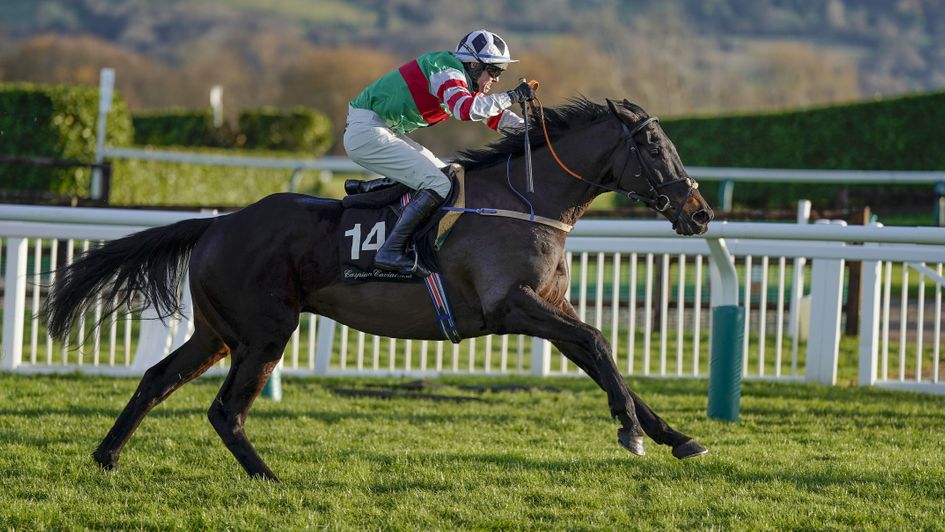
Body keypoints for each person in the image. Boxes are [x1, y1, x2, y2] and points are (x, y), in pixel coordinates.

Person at [344, 29, 537, 277]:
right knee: (439, 182)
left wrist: (536, 129)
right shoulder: (447, 71)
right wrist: (511, 96)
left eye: (500, 73)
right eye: (495, 71)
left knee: (447, 176)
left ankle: (370, 189)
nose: (497, 79)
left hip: (377, 129)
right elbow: (466, 110)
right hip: (367, 131)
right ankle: (390, 250)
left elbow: (493, 115)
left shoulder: (459, 79)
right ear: (474, 65)